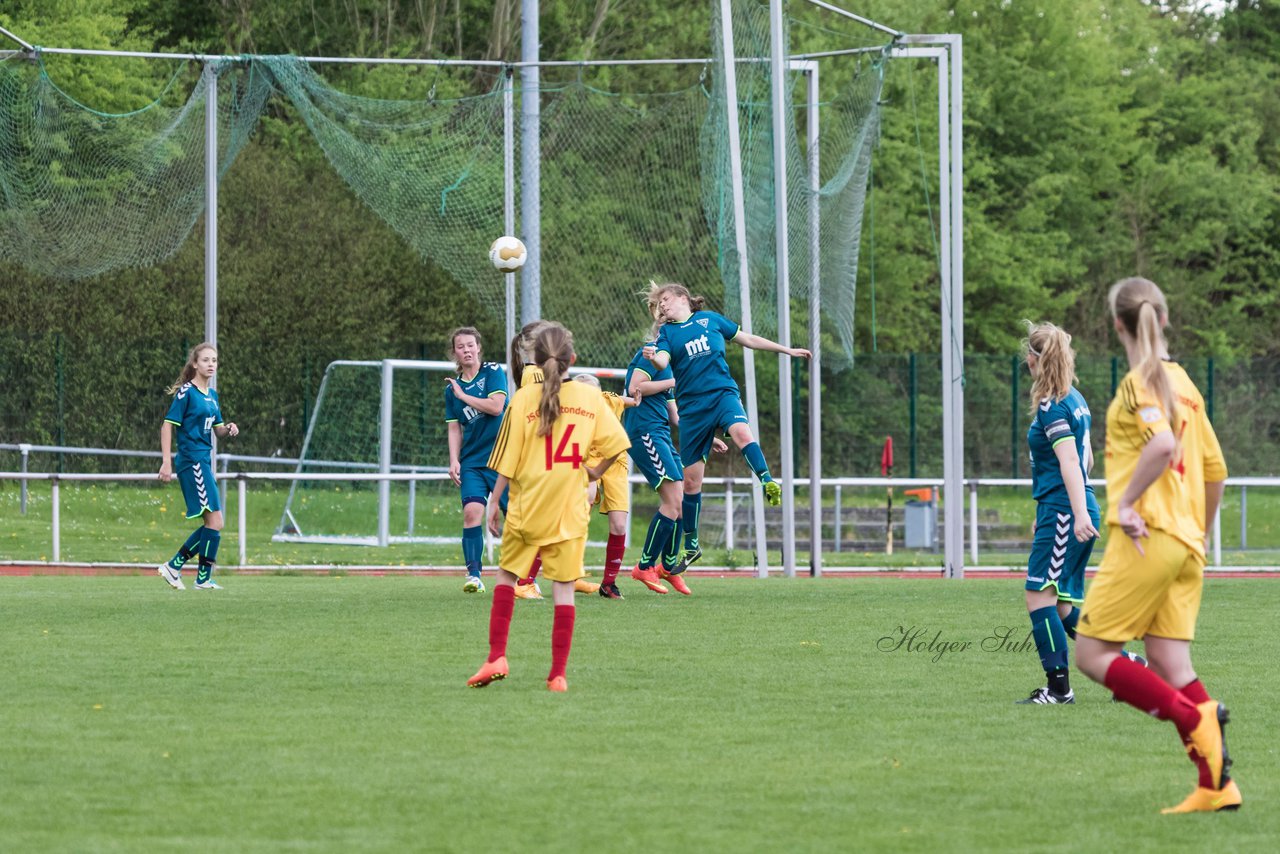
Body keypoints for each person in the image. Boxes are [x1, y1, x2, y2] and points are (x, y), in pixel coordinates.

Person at [1074, 277, 1238, 813]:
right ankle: (1216, 786)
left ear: (1117, 325)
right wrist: (1200, 534)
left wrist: (1125, 505)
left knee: (1093, 653)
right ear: (1163, 319)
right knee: (1171, 662)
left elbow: (1163, 445)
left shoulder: (1137, 382)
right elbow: (1215, 469)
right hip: (1187, 544)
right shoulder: (1185, 382)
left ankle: (1197, 719)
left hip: (1147, 539)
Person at [468, 322, 630, 692]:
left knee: (508, 577)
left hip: (528, 504)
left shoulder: (524, 397)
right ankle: (557, 674)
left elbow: (508, 457)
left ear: (535, 362)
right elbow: (618, 445)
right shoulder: (591, 399)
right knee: (563, 589)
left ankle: (497, 657)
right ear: (572, 359)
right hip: (570, 506)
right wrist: (593, 472)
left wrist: (494, 501)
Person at [642, 282, 810, 572]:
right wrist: (654, 357)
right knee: (691, 482)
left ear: (683, 297)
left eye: (666, 299)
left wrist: (787, 350)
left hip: (722, 394)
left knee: (743, 432)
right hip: (692, 410)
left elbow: (749, 339)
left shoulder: (711, 320)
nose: (663, 306)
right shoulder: (667, 333)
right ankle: (692, 545)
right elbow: (662, 361)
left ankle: (767, 479)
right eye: (659, 304)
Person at [1015, 321, 1102, 704]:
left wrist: (1073, 513)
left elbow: (1071, 460)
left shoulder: (1052, 406)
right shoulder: (1076, 399)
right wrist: (1056, 508)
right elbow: (1088, 458)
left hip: (1068, 510)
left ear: (1035, 361)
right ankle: (1127, 666)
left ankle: (1058, 689)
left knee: (1039, 597)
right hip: (1067, 507)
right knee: (1063, 605)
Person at [508, 321, 596, 597]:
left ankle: (567, 574)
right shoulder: (534, 374)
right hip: (542, 457)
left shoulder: (537, 372)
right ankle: (523, 581)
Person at [156, 342, 239, 591]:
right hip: (191, 461)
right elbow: (167, 425)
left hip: (203, 461)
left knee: (214, 522)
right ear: (195, 364)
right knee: (215, 522)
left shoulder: (212, 396)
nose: (211, 364)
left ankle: (188, 572)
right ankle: (180, 569)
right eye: (205, 360)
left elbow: (217, 431)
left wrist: (228, 429)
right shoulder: (186, 392)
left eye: (214, 360)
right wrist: (166, 462)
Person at [444, 327, 508, 595]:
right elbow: (454, 427)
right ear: (455, 352)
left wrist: (464, 396)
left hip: (503, 458)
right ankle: (474, 575)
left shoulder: (493, 372)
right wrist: (454, 460)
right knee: (471, 513)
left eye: (471, 345)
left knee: (518, 518)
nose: (467, 350)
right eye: (461, 346)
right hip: (472, 463)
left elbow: (496, 407)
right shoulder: (451, 389)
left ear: (479, 347)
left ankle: (526, 577)